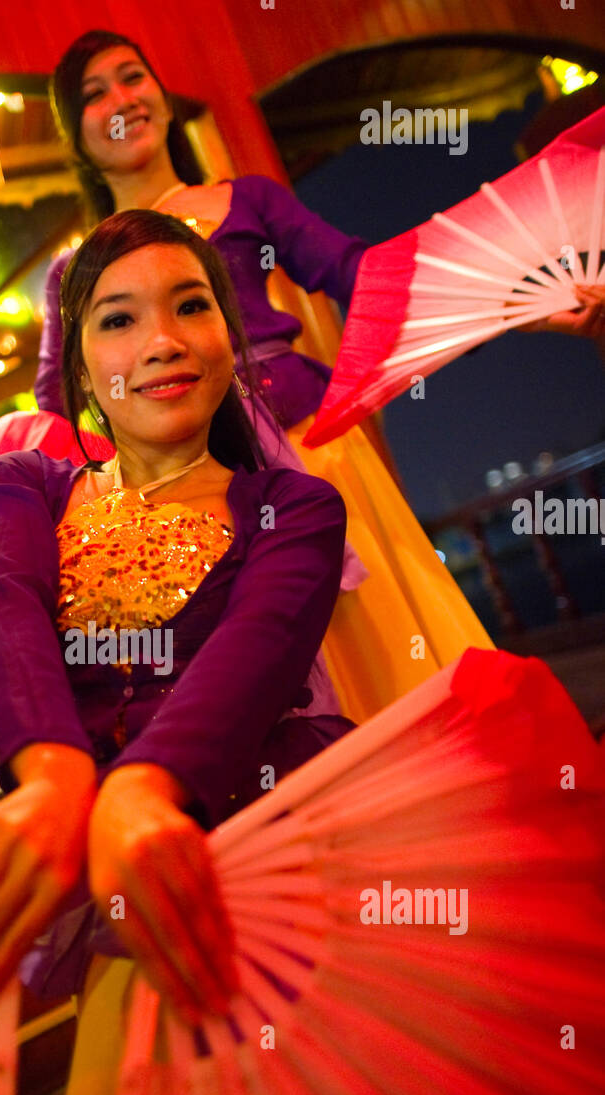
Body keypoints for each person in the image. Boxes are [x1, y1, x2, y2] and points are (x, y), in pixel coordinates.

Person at [0, 209, 353, 1095]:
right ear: (77, 367)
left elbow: (254, 656)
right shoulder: (23, 489)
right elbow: (7, 609)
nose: (161, 340)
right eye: (117, 319)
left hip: (268, 824)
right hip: (114, 859)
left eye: (191, 305)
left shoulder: (293, 507)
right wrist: (63, 773)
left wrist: (140, 788)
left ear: (228, 338)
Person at [33, 31, 597, 725]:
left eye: (132, 78)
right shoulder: (75, 271)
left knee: (394, 651)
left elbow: (367, 280)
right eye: (94, 94)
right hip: (195, 509)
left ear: (162, 97)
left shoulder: (247, 202)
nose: (121, 100)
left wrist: (521, 302)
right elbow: (55, 405)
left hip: (319, 459)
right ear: (75, 135)